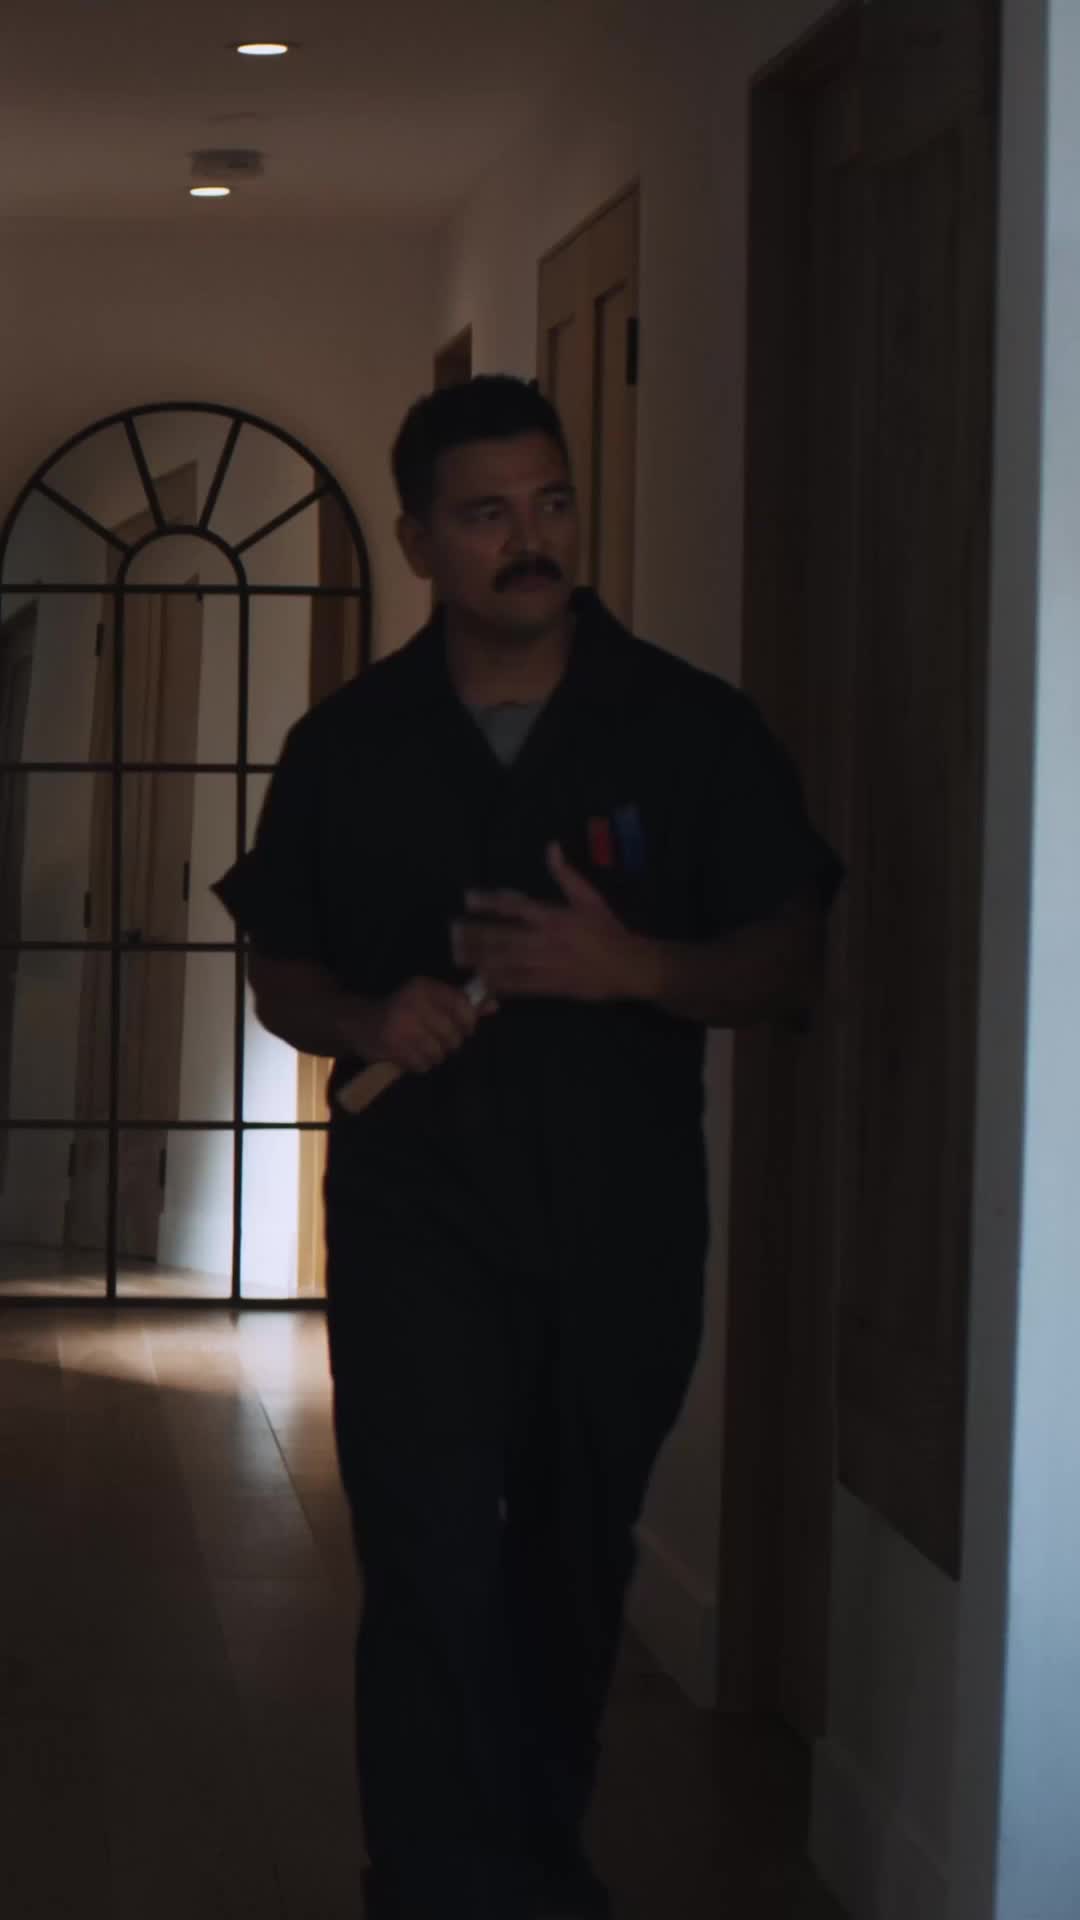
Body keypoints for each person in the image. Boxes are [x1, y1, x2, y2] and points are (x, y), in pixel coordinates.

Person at [213, 374, 844, 1920]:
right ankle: (433, 1889)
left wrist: (637, 968)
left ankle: (534, 1867)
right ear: (421, 541)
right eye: (488, 513)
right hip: (417, 1219)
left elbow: (788, 956)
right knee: (429, 1559)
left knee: (570, 1566)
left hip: (624, 1221)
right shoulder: (349, 746)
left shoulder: (690, 730)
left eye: (551, 501)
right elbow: (280, 971)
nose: (531, 538)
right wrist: (369, 1016)